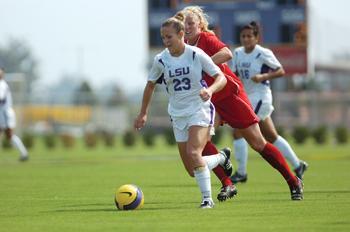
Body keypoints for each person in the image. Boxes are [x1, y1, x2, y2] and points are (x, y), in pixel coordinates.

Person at [179, 6, 303, 200]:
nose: (186, 27)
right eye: (183, 23)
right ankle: (228, 184)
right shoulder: (184, 46)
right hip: (211, 100)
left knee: (258, 143)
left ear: (200, 25)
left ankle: (293, 181)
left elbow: (226, 54)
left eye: (190, 23)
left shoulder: (206, 39)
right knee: (200, 143)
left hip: (230, 96)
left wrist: (202, 63)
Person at [134, 17, 231, 208]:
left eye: (169, 36)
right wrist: (143, 113)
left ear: (180, 35)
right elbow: (150, 85)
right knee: (192, 170)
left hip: (199, 109)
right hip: (178, 114)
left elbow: (221, 78)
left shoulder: (196, 54)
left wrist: (210, 90)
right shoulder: (161, 59)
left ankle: (207, 200)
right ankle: (221, 157)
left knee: (194, 153)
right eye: (163, 37)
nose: (166, 41)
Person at [229, 21, 308, 184]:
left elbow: (281, 70)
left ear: (256, 38)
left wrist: (263, 77)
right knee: (271, 136)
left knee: (238, 131)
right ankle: (298, 165)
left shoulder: (263, 53)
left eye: (249, 36)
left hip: (260, 96)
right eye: (243, 36)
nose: (246, 39)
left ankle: (242, 172)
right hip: (247, 97)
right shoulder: (237, 53)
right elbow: (234, 74)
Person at [0, 65, 29, 161]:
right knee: (8, 135)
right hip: (3, 112)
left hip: (5, 112)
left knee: (9, 135)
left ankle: (24, 153)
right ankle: (24, 153)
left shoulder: (2, 84)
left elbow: (1, 97)